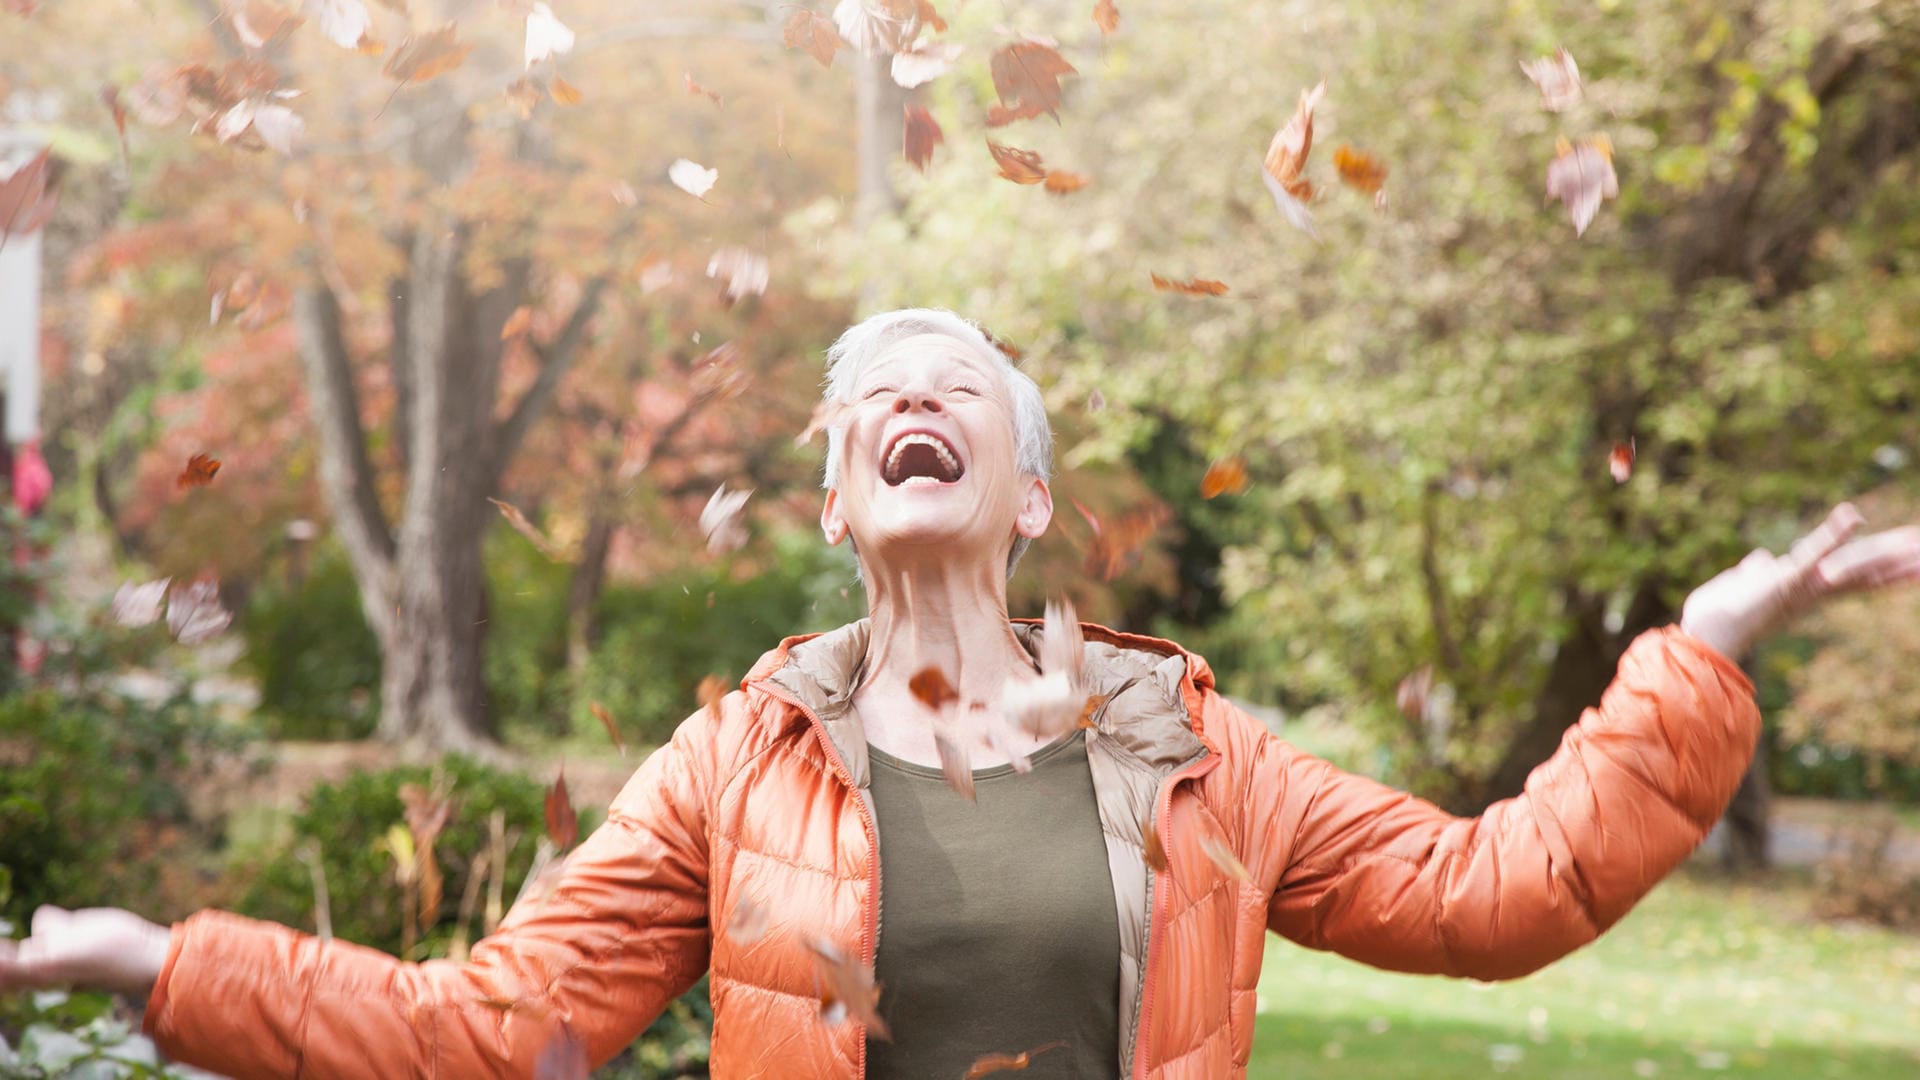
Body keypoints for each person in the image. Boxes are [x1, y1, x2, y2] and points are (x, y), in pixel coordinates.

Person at [4, 308, 1918, 1080]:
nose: (915, 399)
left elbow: (1494, 897)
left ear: (1025, 492)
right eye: (874, 399)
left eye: (961, 389)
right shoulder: (730, 765)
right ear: (840, 498)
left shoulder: (1190, 753)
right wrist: (143, 957)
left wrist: (1705, 648)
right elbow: (498, 1030)